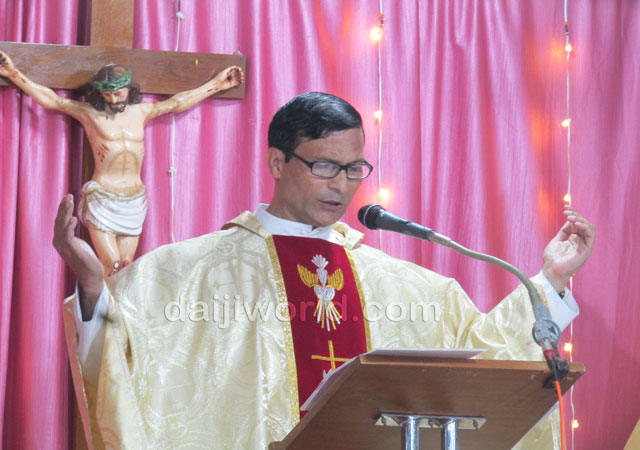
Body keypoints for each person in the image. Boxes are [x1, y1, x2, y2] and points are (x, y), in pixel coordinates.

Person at [53, 92, 595, 449]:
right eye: (323, 166)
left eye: (354, 168)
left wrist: (549, 281)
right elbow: (122, 359)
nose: (341, 185)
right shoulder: (187, 272)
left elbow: (486, 357)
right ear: (277, 162)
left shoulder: (399, 283)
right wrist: (95, 289)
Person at [0, 50, 243, 276]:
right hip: (104, 197)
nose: (114, 99)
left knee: (126, 268)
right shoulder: (90, 114)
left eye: (119, 93)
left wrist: (217, 84)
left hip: (134, 200)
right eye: (107, 94)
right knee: (112, 266)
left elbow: (177, 102)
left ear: (129, 89)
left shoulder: (142, 112)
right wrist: (12, 73)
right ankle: (104, 308)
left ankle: (115, 309)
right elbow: (53, 101)